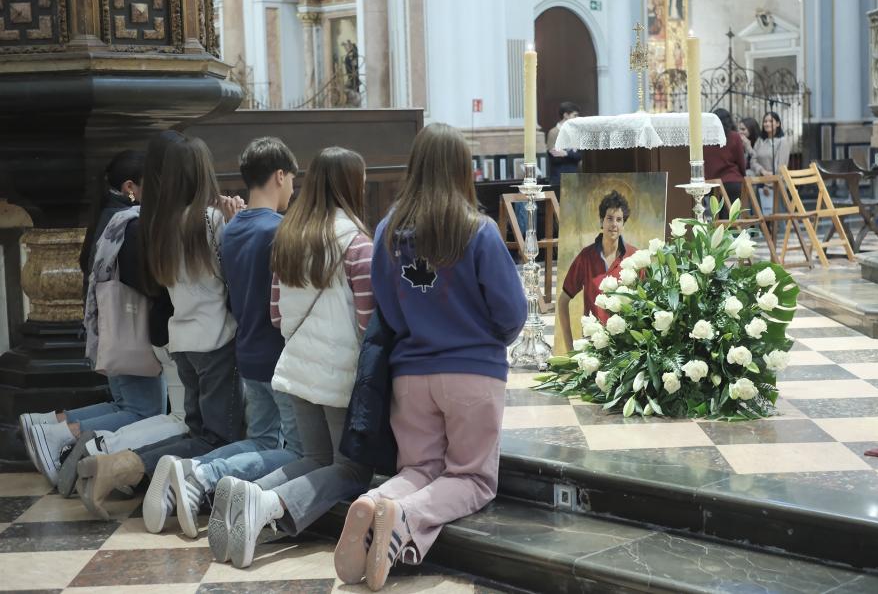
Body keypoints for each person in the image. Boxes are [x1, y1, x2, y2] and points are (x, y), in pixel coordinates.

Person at [333, 123, 527, 591]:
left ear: (415, 167)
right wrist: (485, 340)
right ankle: (402, 516)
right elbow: (512, 312)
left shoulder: (388, 230)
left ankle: (377, 499)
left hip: (411, 376)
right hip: (471, 375)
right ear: (464, 170)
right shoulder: (477, 230)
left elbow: (390, 312)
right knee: (473, 479)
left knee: (418, 470)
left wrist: (421, 330)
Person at [211, 146, 376, 569]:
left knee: (313, 458)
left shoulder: (288, 237)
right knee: (352, 471)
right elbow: (368, 323)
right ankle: (267, 503)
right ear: (351, 186)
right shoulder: (357, 243)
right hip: (339, 377)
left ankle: (249, 495)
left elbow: (277, 313)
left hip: (296, 367)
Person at [75, 135, 247, 517]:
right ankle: (125, 466)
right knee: (218, 440)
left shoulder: (158, 224)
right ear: (201, 173)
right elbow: (231, 278)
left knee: (196, 432)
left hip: (182, 342)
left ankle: (123, 464)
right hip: (217, 343)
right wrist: (236, 224)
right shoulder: (212, 220)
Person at [143, 137, 302, 543]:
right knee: (281, 447)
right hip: (238, 345)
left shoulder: (175, 222)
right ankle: (199, 474)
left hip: (203, 343)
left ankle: (189, 479)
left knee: (245, 436)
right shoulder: (221, 221)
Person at [20, 149, 170, 488]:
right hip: (130, 332)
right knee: (142, 412)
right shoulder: (127, 222)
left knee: (125, 405)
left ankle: (50, 426)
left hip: (111, 333)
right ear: (131, 186)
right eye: (153, 183)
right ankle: (60, 434)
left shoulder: (107, 216)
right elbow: (142, 281)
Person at [557, 190, 637, 352]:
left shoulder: (634, 257)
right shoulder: (586, 257)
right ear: (601, 221)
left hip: (625, 348)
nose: (614, 224)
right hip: (593, 346)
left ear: (623, 224)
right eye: (609, 218)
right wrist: (570, 349)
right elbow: (563, 300)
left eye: (619, 220)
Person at [704, 108, 747, 212]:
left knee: (717, 219)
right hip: (732, 181)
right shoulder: (734, 137)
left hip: (713, 184)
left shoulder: (706, 139)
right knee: (732, 218)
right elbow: (741, 161)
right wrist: (742, 175)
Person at [545, 101, 582, 187]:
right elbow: (554, 157)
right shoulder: (553, 132)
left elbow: (580, 155)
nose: (577, 118)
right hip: (559, 177)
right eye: (575, 115)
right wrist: (571, 155)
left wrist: (565, 153)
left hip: (575, 175)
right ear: (565, 115)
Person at [751, 111, 791, 177]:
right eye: (765, 122)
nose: (767, 124)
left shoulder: (782, 142)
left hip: (774, 180)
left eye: (771, 121)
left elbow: (781, 167)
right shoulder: (760, 140)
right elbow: (753, 160)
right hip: (759, 176)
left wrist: (770, 176)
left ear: (778, 124)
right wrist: (762, 171)